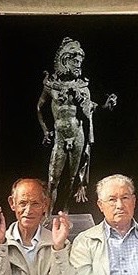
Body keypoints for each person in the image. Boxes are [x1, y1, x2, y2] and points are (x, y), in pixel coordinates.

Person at [37, 37, 116, 212]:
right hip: (59, 136)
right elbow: (39, 108)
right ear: (65, 60)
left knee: (72, 178)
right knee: (52, 179)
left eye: (80, 61)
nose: (78, 64)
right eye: (75, 60)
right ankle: (48, 215)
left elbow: (91, 109)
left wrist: (105, 106)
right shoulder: (51, 86)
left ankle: (65, 212)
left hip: (78, 134)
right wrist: (45, 130)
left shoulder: (83, 87)